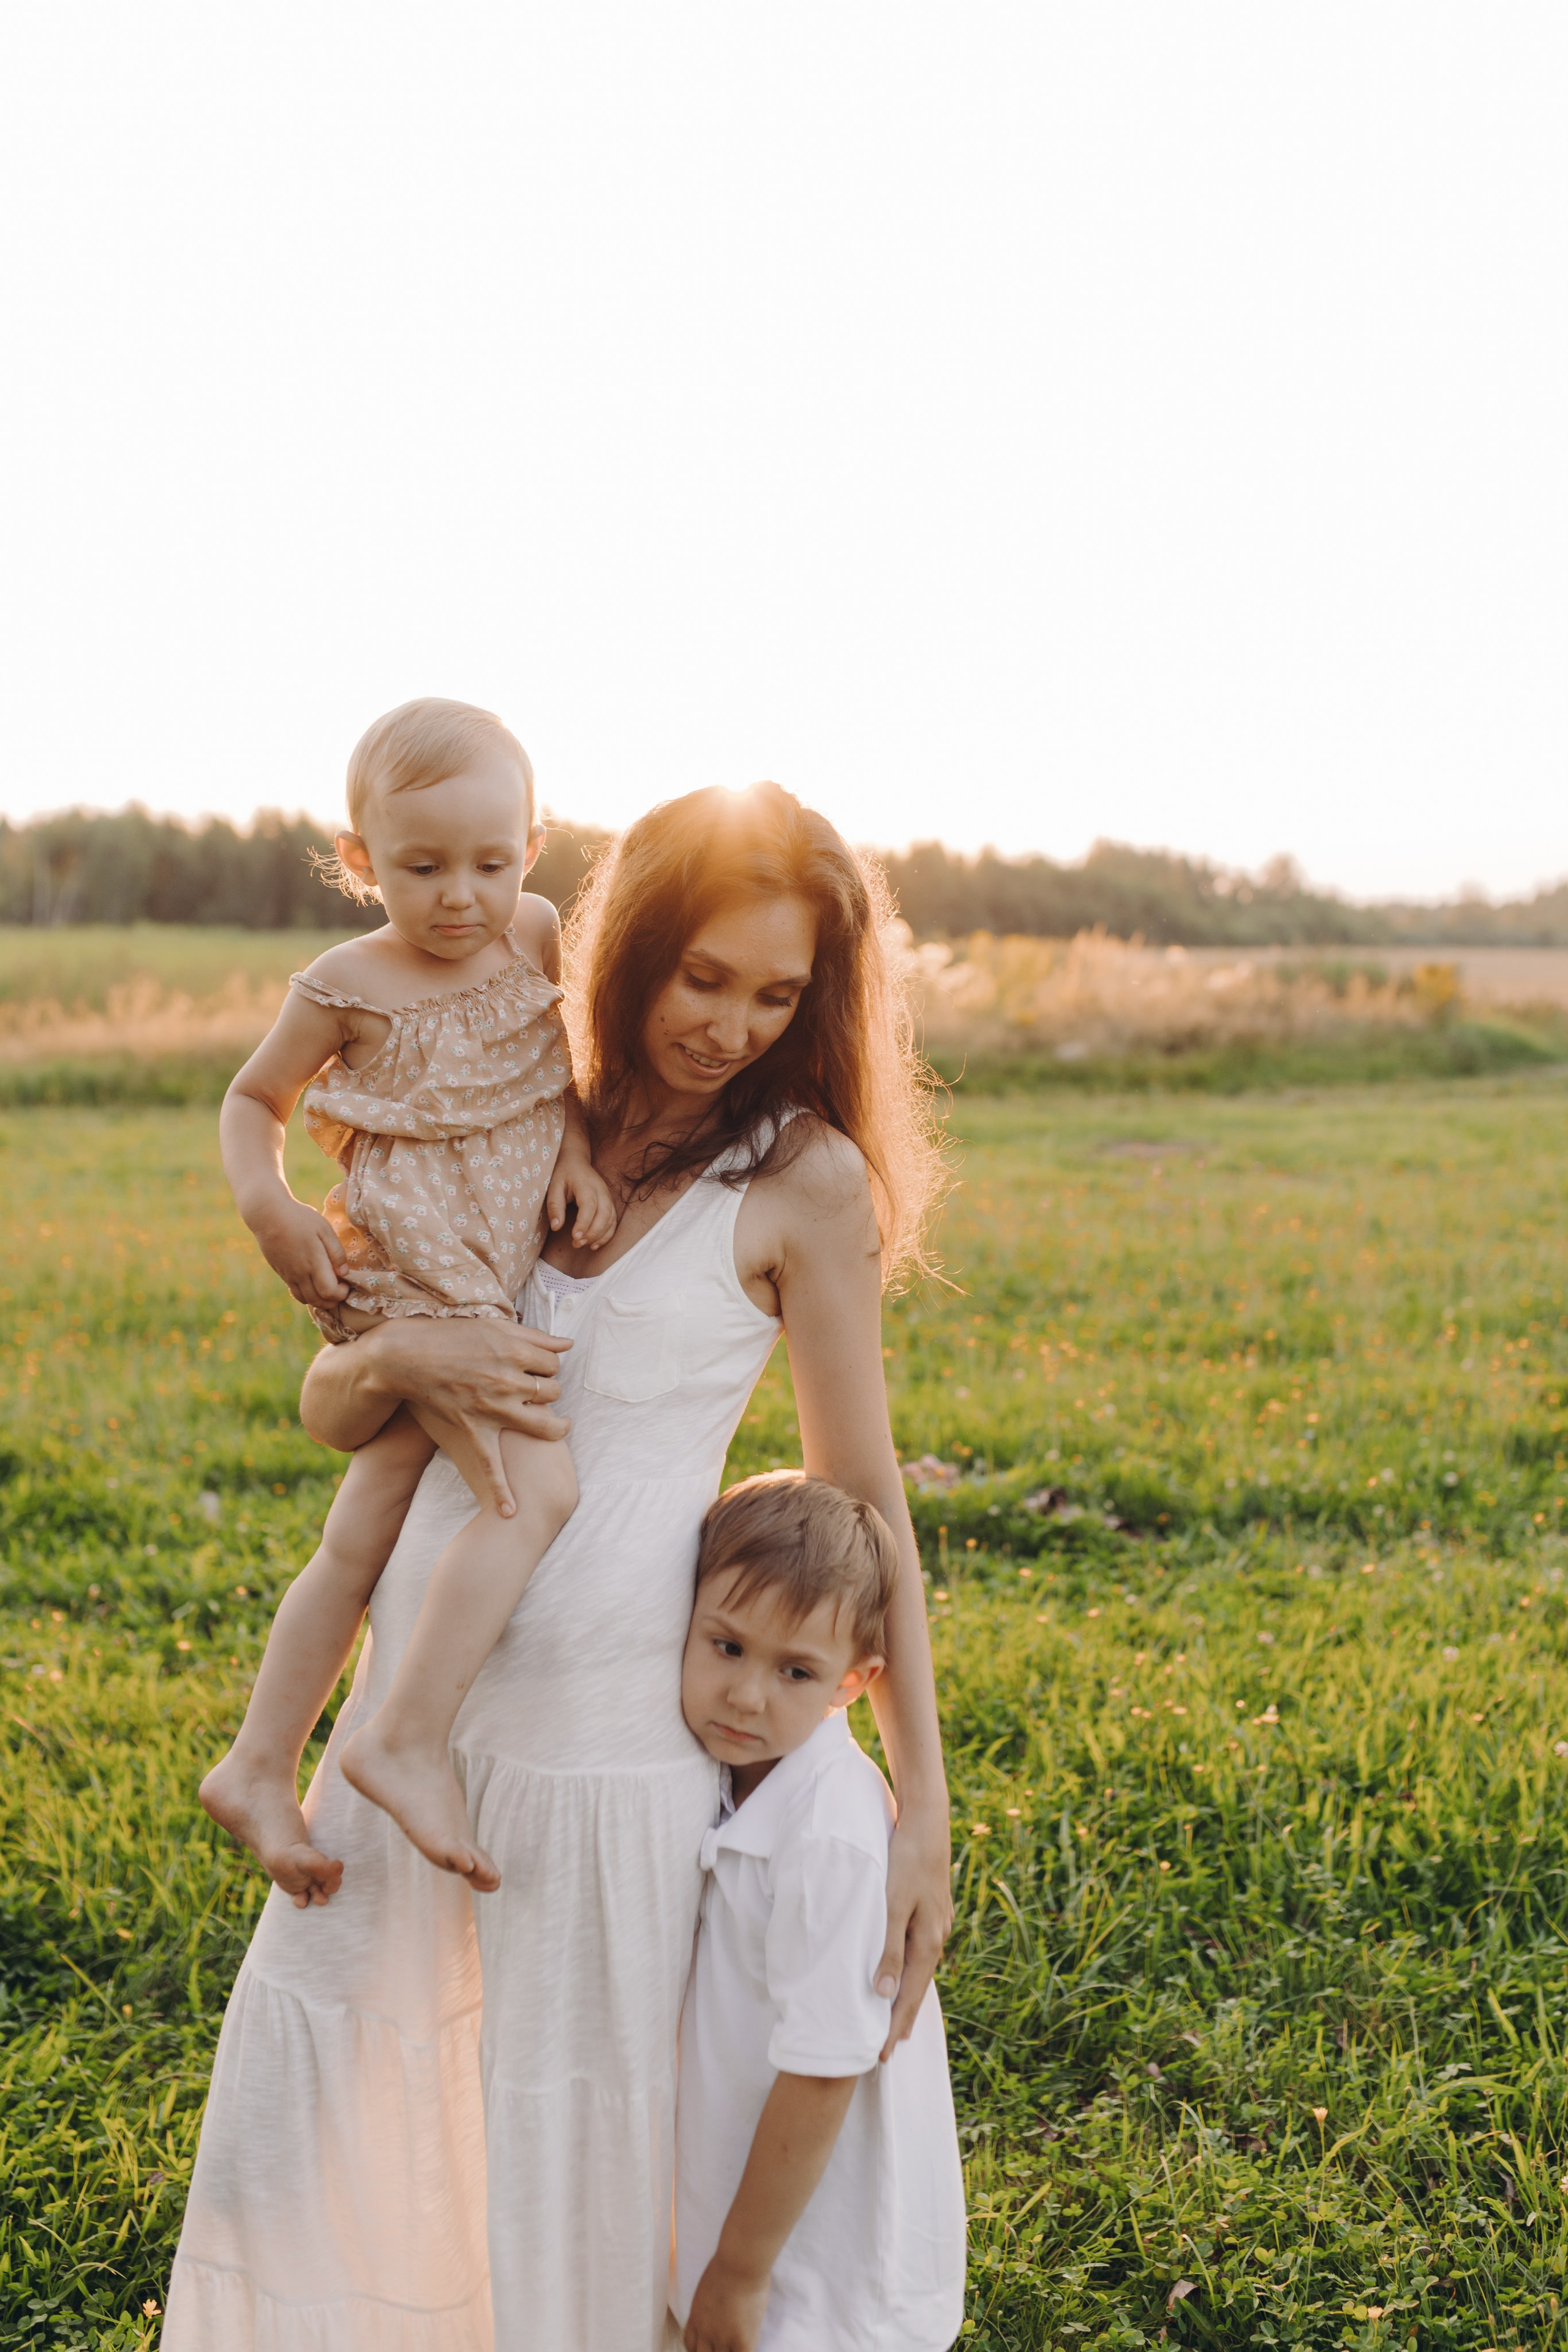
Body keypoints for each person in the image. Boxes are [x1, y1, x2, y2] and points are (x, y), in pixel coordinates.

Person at [163, 779, 954, 2352]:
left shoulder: (801, 1185)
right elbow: (336, 1406)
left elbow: (864, 1502)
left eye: (775, 991)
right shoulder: (513, 1086)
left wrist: (920, 1789)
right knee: (338, 2113)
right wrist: (416, 1355)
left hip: (610, 1746)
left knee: (558, 2138)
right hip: (416, 1725)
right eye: (700, 976)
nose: (728, 1023)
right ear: (628, 952)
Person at [199, 696, 616, 1896]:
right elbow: (251, 1101)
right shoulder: (346, 982)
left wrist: (577, 1153)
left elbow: (560, 1072)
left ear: (530, 850)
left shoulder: (533, 932)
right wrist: (266, 1205)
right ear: (357, 860)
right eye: (418, 866)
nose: (457, 897)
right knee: (537, 1486)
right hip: (413, 1276)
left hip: (495, 1263)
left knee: (365, 1518)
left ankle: (259, 1762)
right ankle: (401, 1735)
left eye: (489, 863)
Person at [675, 1473, 965, 2352]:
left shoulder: (830, 1835)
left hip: (819, 2276)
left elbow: (827, 2069)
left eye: (795, 1671)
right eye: (725, 1647)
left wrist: (739, 2271)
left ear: (854, 1682)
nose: (747, 1697)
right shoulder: (741, 1780)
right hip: (758, 2220)